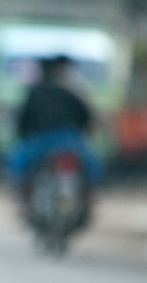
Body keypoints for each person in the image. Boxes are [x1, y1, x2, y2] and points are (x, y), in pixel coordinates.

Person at [8, 54, 101, 185]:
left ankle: (24, 192)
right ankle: (89, 192)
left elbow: (23, 120)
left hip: (40, 141)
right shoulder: (71, 92)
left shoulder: (34, 93)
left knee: (18, 164)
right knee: (92, 165)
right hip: (71, 140)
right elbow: (86, 118)